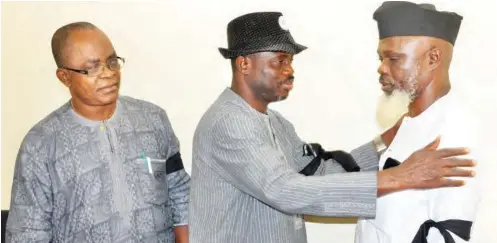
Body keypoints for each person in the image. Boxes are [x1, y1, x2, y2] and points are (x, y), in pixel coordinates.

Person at [188, 11, 476, 243]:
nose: (289, 70)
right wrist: (399, 177)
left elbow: (320, 172)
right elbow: (285, 190)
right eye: (279, 61)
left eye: (289, 61)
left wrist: (387, 139)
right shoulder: (229, 122)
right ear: (244, 65)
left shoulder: (275, 122)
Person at [5, 22, 190, 243]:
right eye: (91, 68)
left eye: (112, 62)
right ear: (64, 77)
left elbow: (180, 192)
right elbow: (28, 232)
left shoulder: (153, 120)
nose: (108, 74)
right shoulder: (41, 145)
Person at [355, 2, 481, 243]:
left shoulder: (453, 135)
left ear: (433, 58)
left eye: (393, 58)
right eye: (381, 58)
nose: (381, 68)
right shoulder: (408, 123)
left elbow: (448, 235)